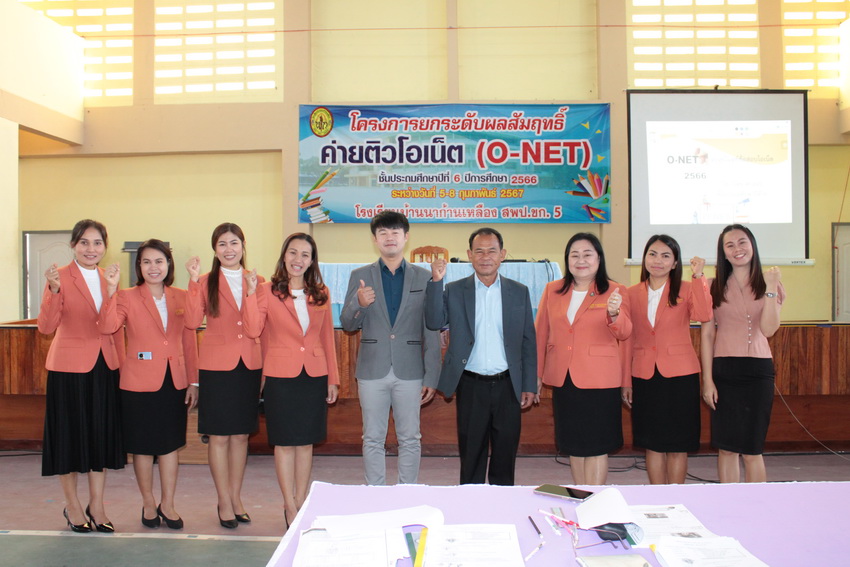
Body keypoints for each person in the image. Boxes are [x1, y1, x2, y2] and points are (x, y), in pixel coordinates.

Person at [99, 239, 199, 529]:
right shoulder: (126, 296)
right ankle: (147, 502)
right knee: (142, 447)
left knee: (170, 446)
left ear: (168, 264)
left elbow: (190, 337)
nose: (153, 267)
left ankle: (168, 504)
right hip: (138, 383)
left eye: (159, 261)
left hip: (174, 381)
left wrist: (194, 381)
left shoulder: (182, 296)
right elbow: (107, 327)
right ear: (139, 266)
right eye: (146, 262)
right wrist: (110, 291)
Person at [425, 228, 536, 486]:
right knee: (471, 454)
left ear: (502, 255)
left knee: (505, 455)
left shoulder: (519, 291)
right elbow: (434, 321)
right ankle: (470, 505)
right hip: (471, 384)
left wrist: (529, 384)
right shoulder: (454, 289)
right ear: (469, 255)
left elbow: (528, 340)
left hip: (508, 385)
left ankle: (503, 504)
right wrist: (436, 282)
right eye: (479, 251)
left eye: (492, 251)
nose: (485, 257)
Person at [244, 233, 339, 528]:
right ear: (284, 255)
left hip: (314, 375)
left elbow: (327, 337)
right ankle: (289, 505)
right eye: (293, 253)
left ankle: (301, 501)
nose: (298, 259)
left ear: (312, 261)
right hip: (280, 376)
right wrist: (250, 294)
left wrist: (333, 378)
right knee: (284, 443)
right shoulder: (266, 290)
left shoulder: (321, 292)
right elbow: (253, 329)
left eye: (305, 255)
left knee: (306, 443)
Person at [37, 219, 125, 533]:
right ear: (74, 245)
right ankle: (73, 505)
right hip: (68, 369)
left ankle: (97, 505)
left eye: (97, 243)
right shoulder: (59, 276)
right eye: (84, 242)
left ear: (105, 246)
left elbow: (112, 327)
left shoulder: (108, 277)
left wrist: (112, 292)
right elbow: (46, 326)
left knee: (99, 438)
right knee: (69, 439)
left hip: (104, 367)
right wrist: (53, 290)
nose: (91, 249)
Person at [340, 211, 440, 485]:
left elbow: (431, 329)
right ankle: (376, 494)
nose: (389, 237)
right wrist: (359, 303)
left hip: (411, 370)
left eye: (395, 232)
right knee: (372, 437)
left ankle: (407, 493)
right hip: (372, 369)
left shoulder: (424, 277)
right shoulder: (360, 276)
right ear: (375, 239)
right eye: (383, 233)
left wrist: (432, 375)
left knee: (410, 438)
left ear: (406, 237)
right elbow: (348, 324)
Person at [535, 233, 631, 486]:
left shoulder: (615, 290)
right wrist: (536, 374)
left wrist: (614, 313)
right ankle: (580, 495)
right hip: (565, 378)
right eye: (574, 255)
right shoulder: (553, 290)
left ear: (599, 258)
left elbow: (624, 332)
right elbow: (540, 333)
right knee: (574, 444)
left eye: (587, 254)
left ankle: (594, 498)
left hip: (600, 379)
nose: (581, 260)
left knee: (597, 445)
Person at [184, 223, 263, 528]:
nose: (229, 249)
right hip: (216, 367)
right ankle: (223, 500)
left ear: (243, 245)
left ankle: (236, 497)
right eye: (222, 244)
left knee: (241, 435)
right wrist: (193, 282)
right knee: (218, 436)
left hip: (248, 366)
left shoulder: (257, 281)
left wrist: (252, 293)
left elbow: (255, 328)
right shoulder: (205, 282)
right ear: (214, 250)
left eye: (234, 243)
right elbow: (192, 321)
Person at [622, 235, 711, 484]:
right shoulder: (631, 293)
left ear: (675, 263)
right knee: (652, 444)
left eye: (665, 256)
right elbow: (627, 338)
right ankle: (657, 496)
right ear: (644, 258)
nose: (657, 260)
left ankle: (675, 496)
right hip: (644, 375)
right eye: (652, 254)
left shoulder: (687, 288)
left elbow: (704, 314)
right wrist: (626, 381)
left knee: (678, 444)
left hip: (680, 376)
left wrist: (698, 276)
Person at [700, 224, 784, 483]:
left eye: (742, 242)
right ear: (723, 253)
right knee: (726, 448)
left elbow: (768, 329)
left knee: (752, 449)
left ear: (752, 246)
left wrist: (771, 286)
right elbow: (707, 335)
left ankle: (757, 503)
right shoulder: (712, 286)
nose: (737, 248)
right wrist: (707, 380)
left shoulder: (770, 284)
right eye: (730, 245)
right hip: (724, 370)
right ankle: (729, 501)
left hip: (758, 371)